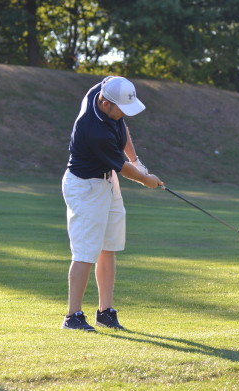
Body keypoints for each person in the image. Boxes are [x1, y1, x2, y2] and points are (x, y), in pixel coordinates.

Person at [61, 76, 163, 331]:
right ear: (105, 103)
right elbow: (125, 170)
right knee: (85, 252)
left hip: (107, 182)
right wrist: (146, 180)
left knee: (109, 247)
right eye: (120, 109)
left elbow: (124, 129)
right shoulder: (94, 130)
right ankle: (72, 317)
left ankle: (105, 312)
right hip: (86, 187)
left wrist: (138, 161)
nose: (123, 114)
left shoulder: (104, 90)